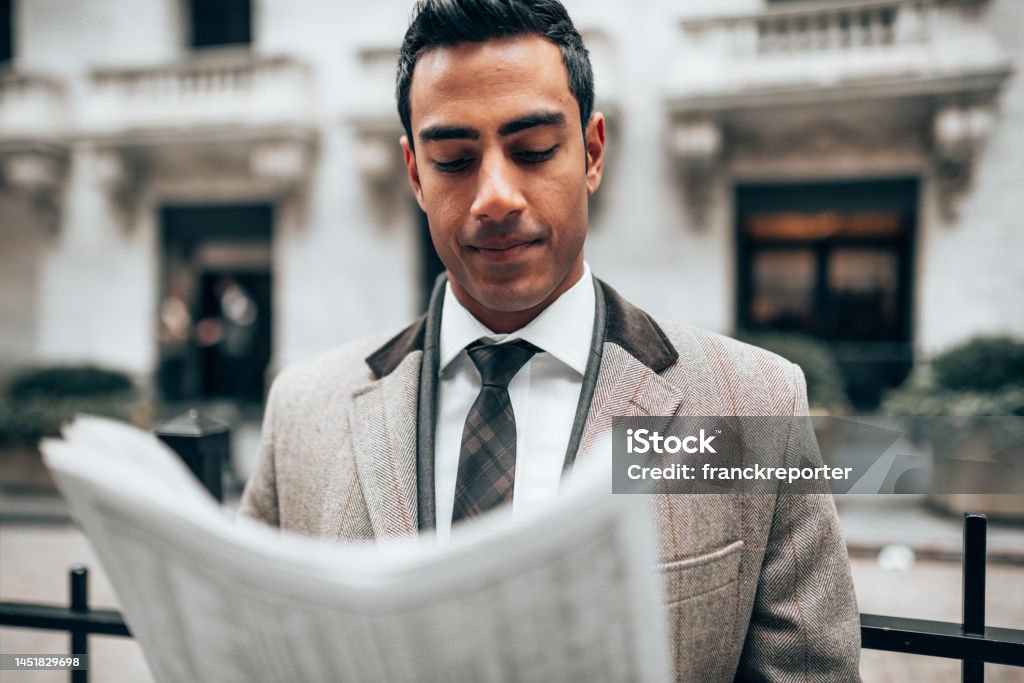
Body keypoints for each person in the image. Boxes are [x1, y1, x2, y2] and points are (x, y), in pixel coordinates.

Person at [240, 0, 862, 679]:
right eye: (453, 160)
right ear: (414, 174)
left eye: (534, 150)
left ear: (593, 152)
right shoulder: (301, 412)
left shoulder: (755, 407)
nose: (495, 197)